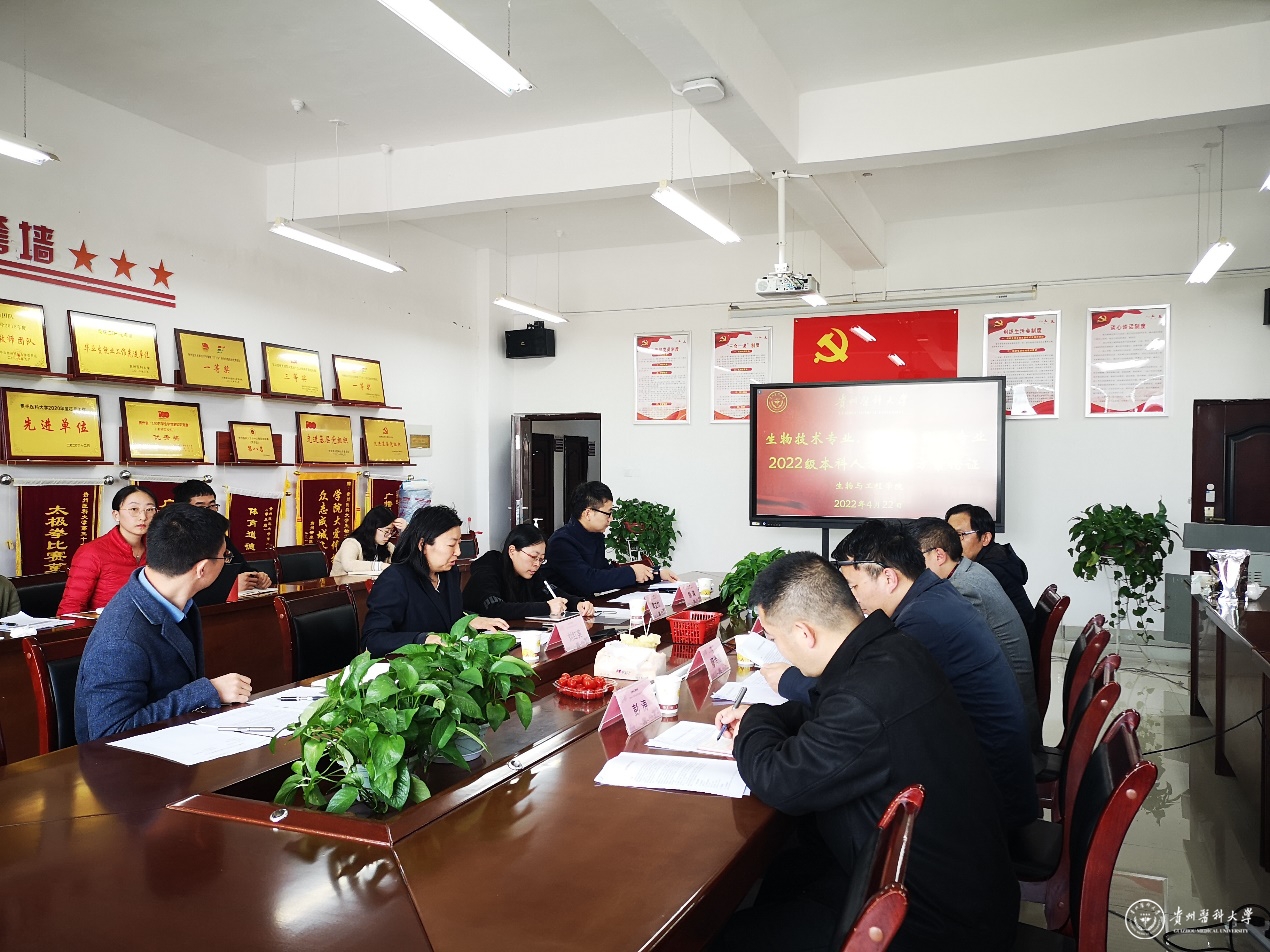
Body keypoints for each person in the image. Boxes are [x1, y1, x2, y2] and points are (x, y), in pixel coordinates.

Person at [711, 553, 1019, 952]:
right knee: (786, 872)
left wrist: (753, 723)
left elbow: (779, 780)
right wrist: (762, 715)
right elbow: (821, 711)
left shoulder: (863, 695)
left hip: (931, 922)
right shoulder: (890, 648)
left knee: (719, 937)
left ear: (804, 633)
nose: (778, 649)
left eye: (773, 638)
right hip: (952, 884)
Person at [74, 503, 253, 743]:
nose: (225, 562)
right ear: (202, 569)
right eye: (224, 556)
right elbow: (109, 735)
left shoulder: (178, 602)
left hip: (176, 742)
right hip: (130, 762)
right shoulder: (120, 641)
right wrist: (208, 692)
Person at [910, 516, 1041, 751]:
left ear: (939, 555)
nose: (909, 567)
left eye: (914, 558)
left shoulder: (962, 588)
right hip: (1011, 703)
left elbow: (947, 653)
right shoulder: (970, 569)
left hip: (1005, 727)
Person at [362, 505, 509, 657]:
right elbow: (372, 639)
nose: (458, 552)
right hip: (406, 665)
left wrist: (468, 621)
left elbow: (446, 617)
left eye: (459, 543)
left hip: (445, 662)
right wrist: (422, 639)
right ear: (423, 545)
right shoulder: (395, 579)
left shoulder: (449, 573)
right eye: (451, 545)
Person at [543, 481, 677, 598]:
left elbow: (605, 572)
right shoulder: (561, 542)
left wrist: (656, 574)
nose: (611, 519)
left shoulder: (594, 535)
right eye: (608, 513)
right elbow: (588, 581)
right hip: (565, 611)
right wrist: (632, 573)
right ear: (588, 513)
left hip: (588, 606)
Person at [58, 486, 158, 615]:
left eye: (149, 510)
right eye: (134, 509)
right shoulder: (91, 552)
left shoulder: (158, 549)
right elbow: (70, 608)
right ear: (116, 515)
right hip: (104, 624)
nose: (143, 517)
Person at [464, 523, 596, 621]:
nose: (537, 564)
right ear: (512, 551)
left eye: (541, 559)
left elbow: (551, 592)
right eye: (533, 557)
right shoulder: (489, 568)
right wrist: (546, 607)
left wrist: (577, 603)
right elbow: (494, 609)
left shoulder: (530, 573)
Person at [171, 480, 272, 606]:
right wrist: (231, 586)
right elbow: (183, 590)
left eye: (212, 506)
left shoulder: (220, 538)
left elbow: (243, 568)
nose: (209, 512)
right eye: (201, 507)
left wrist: (257, 577)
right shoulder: (177, 543)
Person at [945, 503, 1034, 631]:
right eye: (949, 536)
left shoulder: (989, 570)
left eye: (959, 535)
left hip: (1011, 641)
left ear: (985, 538)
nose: (951, 543)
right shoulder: (997, 556)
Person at [330, 505, 407, 576]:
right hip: (342, 585)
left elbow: (404, 562)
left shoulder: (388, 546)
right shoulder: (351, 543)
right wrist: (381, 566)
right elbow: (349, 565)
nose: (389, 535)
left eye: (391, 532)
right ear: (372, 528)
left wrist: (406, 531)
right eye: (386, 531)